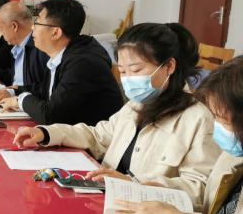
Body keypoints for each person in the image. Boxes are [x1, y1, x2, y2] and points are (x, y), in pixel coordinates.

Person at [12, 23, 219, 199]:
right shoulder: (137, 105)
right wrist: (46, 133)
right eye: (123, 71)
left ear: (169, 66)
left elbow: (199, 189)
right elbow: (98, 136)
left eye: (136, 70)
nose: (129, 79)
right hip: (108, 201)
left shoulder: (198, 118)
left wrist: (133, 184)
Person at [114, 56, 243, 214]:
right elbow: (209, 202)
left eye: (223, 120)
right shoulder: (233, 154)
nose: (217, 129)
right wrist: (156, 188)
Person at [0, 0, 123, 125]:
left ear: (56, 33)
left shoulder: (82, 63)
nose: (32, 27)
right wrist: (14, 91)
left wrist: (19, 100)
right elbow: (47, 90)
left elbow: (50, 116)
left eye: (38, 22)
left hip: (96, 135)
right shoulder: (63, 53)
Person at [0, 1, 48, 101]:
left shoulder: (41, 48)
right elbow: (16, 77)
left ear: (14, 26)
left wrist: (14, 92)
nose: (0, 33)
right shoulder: (17, 46)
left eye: (0, 28)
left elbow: (47, 88)